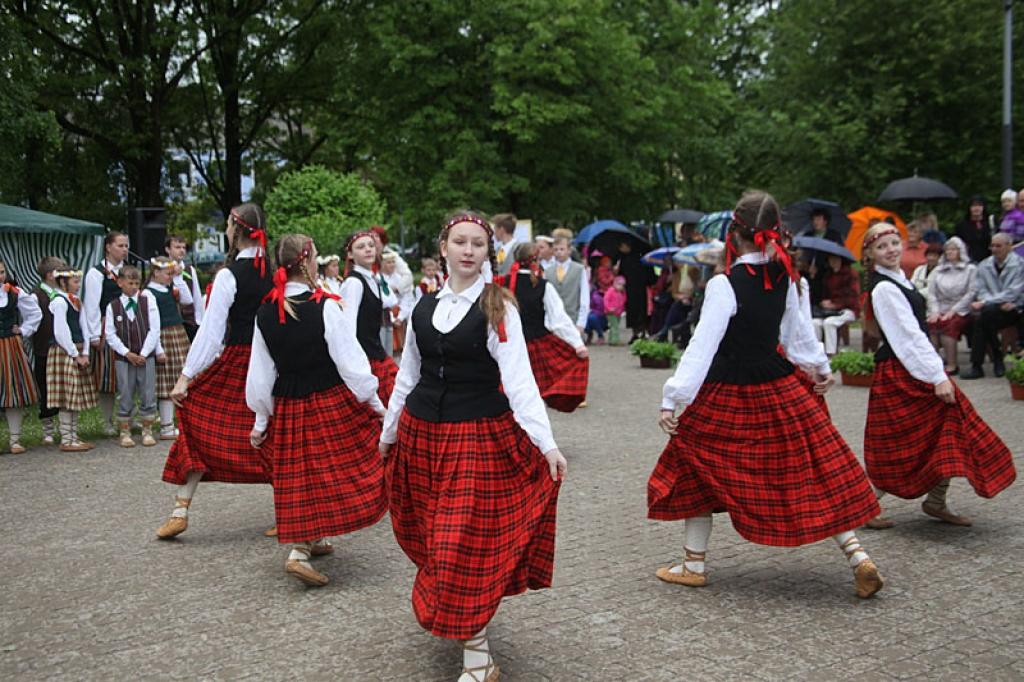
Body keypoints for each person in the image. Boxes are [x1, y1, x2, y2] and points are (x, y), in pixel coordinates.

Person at [648, 190, 884, 598]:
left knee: (692, 463)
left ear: (733, 234)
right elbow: (798, 337)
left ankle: (693, 564)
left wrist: (674, 397)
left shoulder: (725, 284)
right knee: (811, 470)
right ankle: (858, 555)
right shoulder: (787, 277)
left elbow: (702, 345)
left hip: (726, 391)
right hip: (779, 387)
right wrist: (821, 368)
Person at [380, 212, 565, 682]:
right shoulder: (422, 306)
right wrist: (389, 433)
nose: (468, 250)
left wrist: (546, 443)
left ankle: (478, 658)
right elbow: (407, 376)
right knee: (433, 537)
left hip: (475, 437)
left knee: (456, 542)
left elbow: (519, 380)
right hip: (422, 435)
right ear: (443, 248)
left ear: (488, 252)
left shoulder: (498, 306)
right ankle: (470, 633)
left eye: (477, 244)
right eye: (459, 242)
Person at [247, 234, 387, 587]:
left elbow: (261, 373)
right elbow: (350, 363)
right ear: (308, 262)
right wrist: (375, 404)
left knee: (302, 474)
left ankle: (312, 538)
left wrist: (261, 419)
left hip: (289, 404)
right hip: (328, 400)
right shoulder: (324, 305)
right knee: (336, 469)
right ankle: (298, 552)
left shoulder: (265, 312)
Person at [859, 223, 1015, 529]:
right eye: (882, 246)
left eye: (894, 243)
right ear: (870, 255)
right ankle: (865, 504)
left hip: (912, 367)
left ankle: (935, 500)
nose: (890, 249)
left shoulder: (898, 279)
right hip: (901, 372)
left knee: (947, 428)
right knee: (902, 442)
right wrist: (937, 376)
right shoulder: (884, 288)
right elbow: (908, 337)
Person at [157, 203, 274, 540]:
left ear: (236, 230)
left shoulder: (229, 275)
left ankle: (181, 508)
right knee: (276, 435)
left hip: (239, 361)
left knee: (196, 420)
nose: (225, 230)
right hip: (273, 363)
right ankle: (289, 509)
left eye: (227, 224)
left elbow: (210, 332)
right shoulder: (274, 270)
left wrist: (186, 377)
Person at [507, 242, 589, 412]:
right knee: (534, 391)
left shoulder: (503, 283)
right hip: (537, 344)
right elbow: (559, 320)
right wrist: (577, 344)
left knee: (514, 391)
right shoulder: (543, 285)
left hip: (509, 346)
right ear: (535, 260)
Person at [104, 265, 160, 448]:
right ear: (120, 283)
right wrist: (127, 353)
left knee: (147, 391)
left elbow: (154, 329)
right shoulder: (113, 306)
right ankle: (125, 431)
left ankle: (147, 430)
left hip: (146, 356)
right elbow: (110, 334)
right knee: (125, 391)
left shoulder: (147, 302)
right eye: (130, 283)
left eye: (137, 283)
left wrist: (143, 353)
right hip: (124, 358)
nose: (134, 287)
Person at [340, 230, 399, 404]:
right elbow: (348, 330)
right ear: (350, 254)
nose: (368, 250)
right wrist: (357, 368)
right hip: (365, 359)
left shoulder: (373, 279)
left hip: (376, 353)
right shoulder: (353, 283)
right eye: (361, 247)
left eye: (371, 245)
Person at [82, 231, 130, 436]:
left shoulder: (129, 271)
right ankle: (107, 421)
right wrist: (94, 335)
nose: (125, 249)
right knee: (108, 376)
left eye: (126, 245)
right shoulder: (96, 273)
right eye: (120, 245)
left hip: (129, 325)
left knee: (130, 374)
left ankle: (128, 417)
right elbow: (91, 305)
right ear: (108, 247)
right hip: (106, 326)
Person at [47, 268, 98, 451]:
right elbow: (60, 331)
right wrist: (75, 354)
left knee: (74, 397)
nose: (78, 285)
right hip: (65, 352)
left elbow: (84, 327)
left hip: (77, 352)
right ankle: (67, 438)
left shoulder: (76, 301)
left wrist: (85, 352)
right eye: (75, 282)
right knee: (67, 397)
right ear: (63, 283)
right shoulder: (60, 302)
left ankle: (73, 436)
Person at [960, 233, 1024, 379]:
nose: (994, 249)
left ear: (1009, 246)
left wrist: (985, 302)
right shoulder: (984, 265)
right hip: (993, 309)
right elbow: (981, 290)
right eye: (992, 246)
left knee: (983, 318)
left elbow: (1013, 292)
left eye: (998, 246)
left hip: (1014, 308)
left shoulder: (1020, 264)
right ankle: (996, 360)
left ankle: (980, 365)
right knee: (983, 318)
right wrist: (990, 302)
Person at [146, 257, 192, 439]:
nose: (169, 277)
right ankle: (166, 425)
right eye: (167, 273)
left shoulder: (169, 288)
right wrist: (158, 349)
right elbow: (152, 324)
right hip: (164, 336)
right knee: (166, 382)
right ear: (156, 272)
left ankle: (177, 421)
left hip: (178, 334)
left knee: (180, 377)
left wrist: (179, 279)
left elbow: (188, 300)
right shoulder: (148, 293)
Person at [0, 259, 42, 454]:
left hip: (10, 345)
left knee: (13, 392)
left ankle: (14, 440)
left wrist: (23, 330)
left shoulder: (15, 293)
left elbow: (35, 313)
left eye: (1, 272)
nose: (0, 277)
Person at [926, 237, 976, 375]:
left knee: (949, 324)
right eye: (947, 249)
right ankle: (933, 364)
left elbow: (971, 293)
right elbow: (932, 294)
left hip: (960, 308)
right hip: (940, 306)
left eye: (953, 249)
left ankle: (952, 364)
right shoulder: (938, 270)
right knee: (932, 325)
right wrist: (934, 311)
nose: (950, 252)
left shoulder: (970, 269)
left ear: (961, 251)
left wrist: (953, 310)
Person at [31, 257, 66, 445]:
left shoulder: (64, 294)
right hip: (44, 349)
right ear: (50, 275)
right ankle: (47, 428)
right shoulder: (36, 295)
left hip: (62, 350)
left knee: (61, 387)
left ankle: (65, 426)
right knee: (45, 387)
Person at [810, 253, 860, 356]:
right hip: (829, 311)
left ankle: (830, 354)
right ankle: (816, 353)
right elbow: (820, 294)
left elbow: (852, 297)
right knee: (815, 323)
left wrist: (836, 304)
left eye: (836, 259)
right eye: (831, 259)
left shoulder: (850, 274)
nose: (833, 262)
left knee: (829, 323)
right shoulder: (828, 275)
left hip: (848, 309)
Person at [544, 236, 589, 335]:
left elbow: (584, 298)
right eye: (556, 250)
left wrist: (581, 323)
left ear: (569, 250)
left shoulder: (579, 269)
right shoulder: (547, 271)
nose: (559, 252)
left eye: (562, 249)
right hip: (553, 321)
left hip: (573, 319)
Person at [164, 235, 204, 341]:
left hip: (190, 322)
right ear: (168, 249)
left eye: (183, 247)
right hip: (171, 323)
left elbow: (197, 297)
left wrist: (200, 321)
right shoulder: (163, 270)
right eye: (177, 247)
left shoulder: (189, 269)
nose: (181, 250)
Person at [954, 196, 994, 264]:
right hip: (969, 259)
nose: (976, 208)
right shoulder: (962, 225)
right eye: (974, 206)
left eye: (979, 205)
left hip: (989, 259)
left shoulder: (991, 223)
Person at [491, 212, 520, 277]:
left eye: (495, 228)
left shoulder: (519, 249)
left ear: (502, 229)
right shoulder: (498, 250)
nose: (494, 232)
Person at [603, 276, 627, 346]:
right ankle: (615, 340)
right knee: (615, 326)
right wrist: (608, 308)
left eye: (622, 285)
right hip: (611, 312)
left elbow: (623, 301)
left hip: (618, 312)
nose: (620, 287)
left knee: (613, 326)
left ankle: (611, 340)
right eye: (619, 284)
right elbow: (606, 300)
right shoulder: (611, 291)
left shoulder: (622, 293)